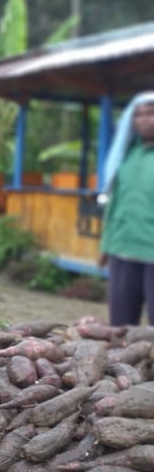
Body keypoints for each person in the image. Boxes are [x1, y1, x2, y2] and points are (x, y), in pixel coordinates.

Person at [99, 91, 154, 325]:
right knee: (120, 326)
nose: (144, 119)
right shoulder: (126, 155)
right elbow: (114, 201)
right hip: (122, 249)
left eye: (151, 113)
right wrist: (106, 244)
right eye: (138, 114)